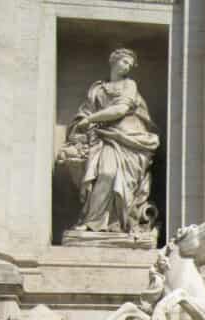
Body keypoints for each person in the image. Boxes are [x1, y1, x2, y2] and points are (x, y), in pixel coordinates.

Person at [57, 47, 160, 235]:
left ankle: (118, 223)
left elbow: (121, 109)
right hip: (104, 138)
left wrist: (90, 119)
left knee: (114, 176)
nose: (127, 66)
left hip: (129, 138)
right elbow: (85, 112)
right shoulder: (97, 88)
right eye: (124, 61)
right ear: (113, 61)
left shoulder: (130, 85)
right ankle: (93, 223)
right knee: (105, 173)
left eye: (130, 64)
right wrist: (83, 122)